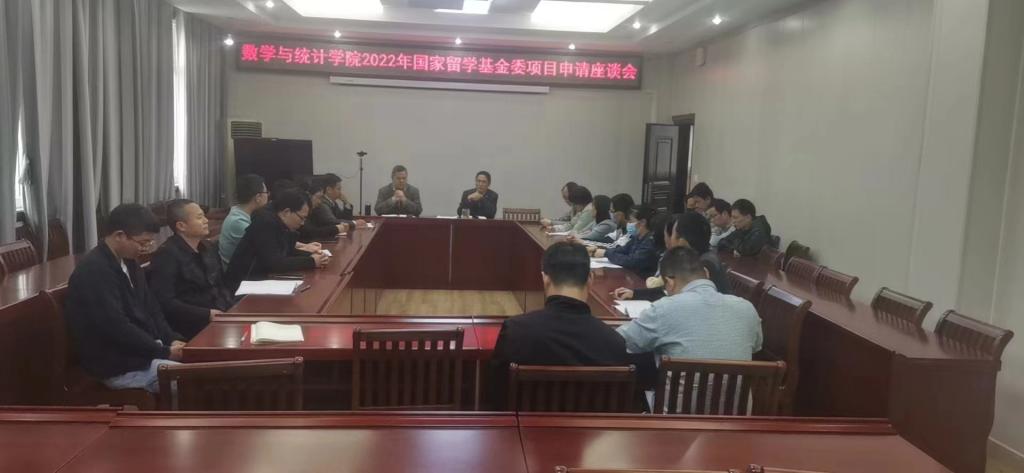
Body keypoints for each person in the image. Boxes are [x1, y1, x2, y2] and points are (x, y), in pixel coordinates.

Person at [489, 242, 630, 408]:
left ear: (545, 278)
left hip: (528, 424)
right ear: (590, 279)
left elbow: (496, 396)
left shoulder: (516, 331)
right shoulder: (614, 342)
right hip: (591, 425)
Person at [64, 204, 185, 393]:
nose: (145, 248)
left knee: (205, 371)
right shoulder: (94, 271)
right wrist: (163, 351)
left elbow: (151, 308)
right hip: (118, 366)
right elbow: (116, 326)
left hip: (142, 354)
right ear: (119, 235)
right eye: (142, 242)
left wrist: (171, 339)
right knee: (194, 383)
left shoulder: (129, 262)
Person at [617, 246, 762, 361]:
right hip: (737, 391)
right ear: (706, 273)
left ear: (669, 283)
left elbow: (621, 341)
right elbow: (755, 347)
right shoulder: (747, 308)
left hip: (675, 392)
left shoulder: (664, 309)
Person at [150, 200, 236, 340]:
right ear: (181, 226)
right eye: (199, 217)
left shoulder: (208, 247)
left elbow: (220, 284)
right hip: (192, 325)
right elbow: (165, 301)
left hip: (220, 315)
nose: (206, 221)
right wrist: (206, 314)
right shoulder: (166, 255)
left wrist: (231, 307)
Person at [613, 212, 732, 302]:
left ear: (683, 241)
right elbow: (668, 290)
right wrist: (635, 294)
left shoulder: (702, 265)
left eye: (673, 235)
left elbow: (679, 297)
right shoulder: (698, 257)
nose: (669, 240)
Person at [225, 190, 331, 289]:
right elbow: (275, 263)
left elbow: (286, 251)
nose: (303, 223)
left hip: (260, 279)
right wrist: (311, 261)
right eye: (301, 218)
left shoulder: (279, 222)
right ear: (286, 212)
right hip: (242, 285)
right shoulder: (265, 223)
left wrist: (312, 256)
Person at [591, 205, 661, 278]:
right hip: (632, 276)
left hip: (642, 280)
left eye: (631, 221)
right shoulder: (637, 237)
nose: (628, 223)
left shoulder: (650, 241)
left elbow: (631, 261)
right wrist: (599, 251)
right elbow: (622, 250)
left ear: (643, 222)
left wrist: (606, 253)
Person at [219, 174, 269, 267]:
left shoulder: (242, 213)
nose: (268, 195)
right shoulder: (238, 222)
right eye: (266, 192)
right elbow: (266, 247)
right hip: (238, 273)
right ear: (258, 197)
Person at [298, 176, 347, 241]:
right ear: (308, 195)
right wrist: (336, 228)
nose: (320, 202)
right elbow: (311, 233)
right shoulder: (299, 212)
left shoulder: (313, 210)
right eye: (318, 197)